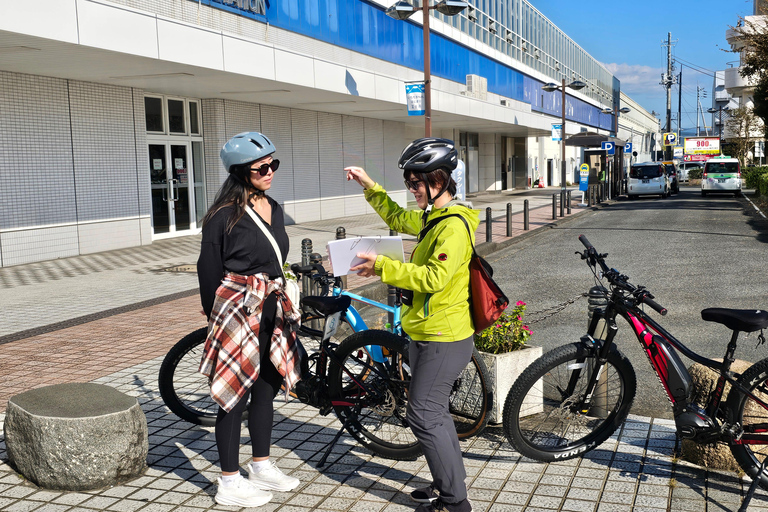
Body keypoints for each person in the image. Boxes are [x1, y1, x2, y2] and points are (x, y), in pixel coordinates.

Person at [345, 137, 478, 512]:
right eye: (408, 183)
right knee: (434, 413)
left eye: (415, 183)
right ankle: (450, 484)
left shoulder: (452, 226)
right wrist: (370, 186)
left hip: (443, 337)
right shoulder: (432, 218)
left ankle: (455, 503)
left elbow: (434, 277)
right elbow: (397, 218)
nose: (411, 190)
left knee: (422, 415)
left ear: (438, 180)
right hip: (427, 332)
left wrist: (383, 267)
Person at [197, 131, 302, 508]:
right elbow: (208, 270)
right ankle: (228, 481)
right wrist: (217, 318)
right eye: (262, 167)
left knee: (266, 386)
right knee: (233, 393)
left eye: (274, 163)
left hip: (271, 307)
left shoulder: (272, 204)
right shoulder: (222, 216)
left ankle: (260, 465)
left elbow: (275, 258)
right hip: (238, 311)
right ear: (241, 171)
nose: (270, 170)